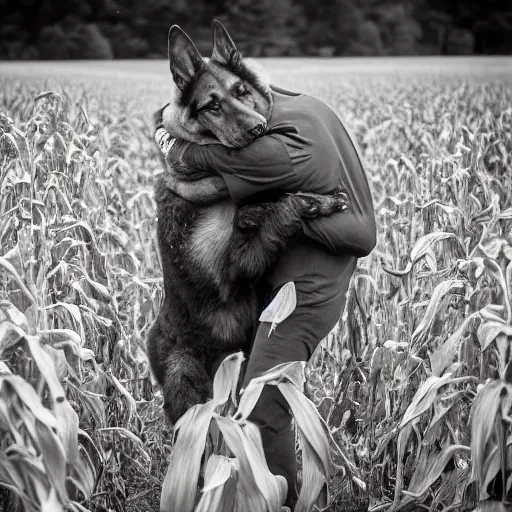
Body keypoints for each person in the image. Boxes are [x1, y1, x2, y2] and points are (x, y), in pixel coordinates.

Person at [153, 85, 376, 509]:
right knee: (238, 410)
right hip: (224, 321)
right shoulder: (301, 108)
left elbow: (205, 161)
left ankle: (277, 501)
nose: (241, 126)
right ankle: (231, 492)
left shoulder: (273, 147)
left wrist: (174, 148)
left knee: (261, 407)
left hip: (304, 290)